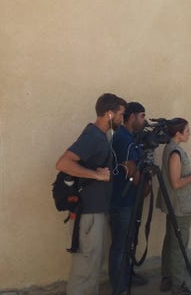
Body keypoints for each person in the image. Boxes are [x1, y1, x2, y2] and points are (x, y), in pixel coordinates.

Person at [56, 93, 126, 295]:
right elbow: (63, 163)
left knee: (91, 266)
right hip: (88, 215)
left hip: (94, 212)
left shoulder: (100, 136)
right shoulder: (93, 136)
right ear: (110, 114)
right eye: (121, 114)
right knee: (85, 269)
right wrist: (96, 174)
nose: (122, 119)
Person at [156, 118, 191, 295]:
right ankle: (178, 285)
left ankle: (167, 278)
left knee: (170, 240)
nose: (189, 133)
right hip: (180, 206)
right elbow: (176, 183)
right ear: (178, 133)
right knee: (178, 245)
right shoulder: (175, 152)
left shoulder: (171, 149)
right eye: (187, 130)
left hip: (175, 204)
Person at [108, 102, 149, 294]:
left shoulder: (130, 137)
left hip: (129, 200)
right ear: (131, 117)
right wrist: (145, 187)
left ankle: (126, 275)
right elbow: (131, 168)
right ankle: (119, 287)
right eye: (142, 116)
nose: (144, 120)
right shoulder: (123, 138)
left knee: (127, 243)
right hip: (122, 201)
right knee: (119, 245)